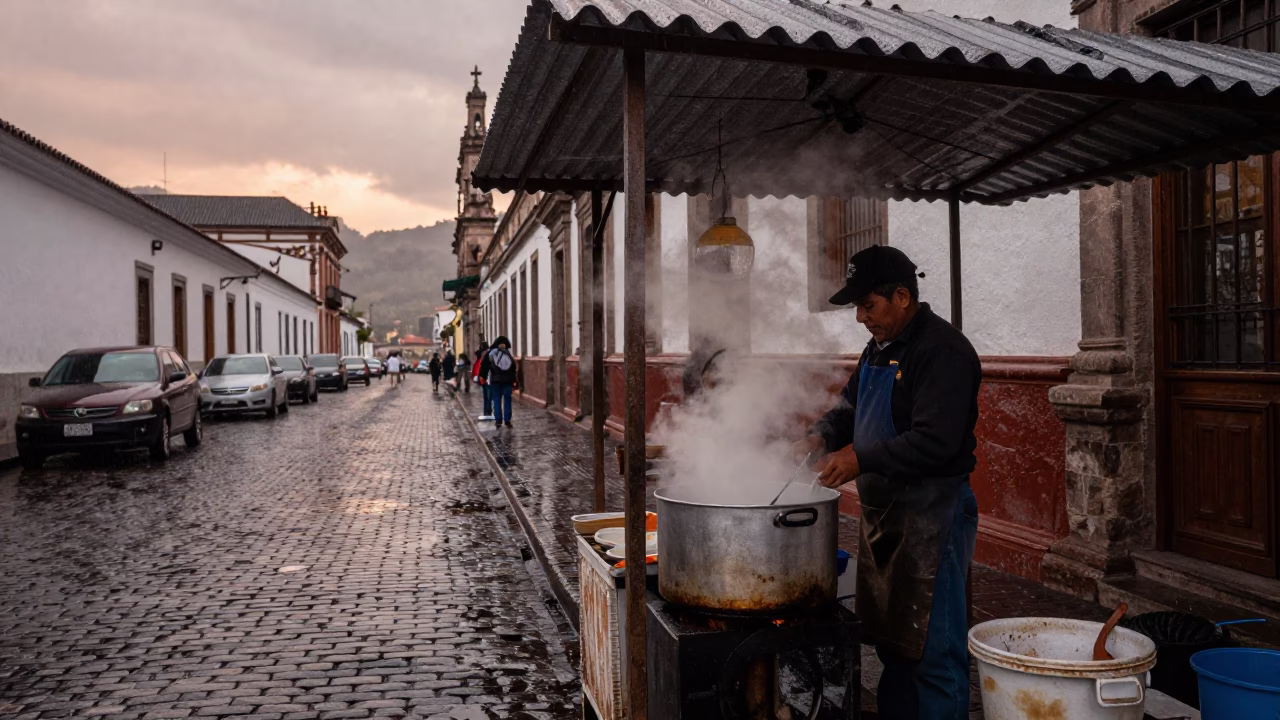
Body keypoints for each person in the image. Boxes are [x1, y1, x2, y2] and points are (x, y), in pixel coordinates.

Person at [792, 245, 980, 720]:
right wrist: (822, 433)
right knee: (897, 646)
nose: (860, 318)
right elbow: (850, 405)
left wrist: (860, 457)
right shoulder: (880, 347)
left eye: (867, 306)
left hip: (934, 516)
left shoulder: (944, 350)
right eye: (857, 307)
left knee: (935, 653)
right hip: (888, 520)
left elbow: (936, 441)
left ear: (901, 297)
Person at [486, 336, 517, 428]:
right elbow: (514, 368)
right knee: (507, 399)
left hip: (496, 381)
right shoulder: (508, 354)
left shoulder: (491, 354)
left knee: (496, 399)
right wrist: (514, 380)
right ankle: (507, 420)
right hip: (507, 381)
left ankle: (498, 420)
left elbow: (488, 367)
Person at [473, 341, 492, 420]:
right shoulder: (488, 354)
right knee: (489, 396)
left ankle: (486, 412)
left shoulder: (481, 354)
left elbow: (476, 353)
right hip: (487, 377)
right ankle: (488, 412)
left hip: (483, 377)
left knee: (486, 396)